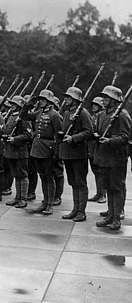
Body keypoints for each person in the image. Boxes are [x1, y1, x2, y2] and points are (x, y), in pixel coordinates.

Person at [94, 85, 131, 231]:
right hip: (104, 157)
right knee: (108, 187)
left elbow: (125, 137)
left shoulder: (122, 115)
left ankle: (116, 218)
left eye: (106, 98)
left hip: (116, 158)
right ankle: (110, 215)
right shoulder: (103, 115)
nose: (103, 100)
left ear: (114, 100)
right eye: (103, 97)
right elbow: (99, 131)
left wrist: (110, 141)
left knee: (117, 188)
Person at [20, 90, 62, 215]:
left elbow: (59, 136)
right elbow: (23, 116)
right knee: (42, 176)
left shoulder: (54, 115)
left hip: (48, 149)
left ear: (49, 101)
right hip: (37, 148)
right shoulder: (38, 112)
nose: (41, 102)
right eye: (40, 100)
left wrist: (56, 153)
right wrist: (28, 105)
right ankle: (44, 202)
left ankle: (50, 204)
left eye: (43, 100)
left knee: (49, 177)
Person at [58, 87, 93, 222]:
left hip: (79, 153)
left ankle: (81, 212)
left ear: (75, 99)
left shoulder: (83, 113)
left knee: (80, 182)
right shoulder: (67, 113)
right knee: (73, 182)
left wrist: (74, 138)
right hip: (68, 153)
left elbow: (89, 131)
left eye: (68, 97)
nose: (65, 99)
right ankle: (75, 209)